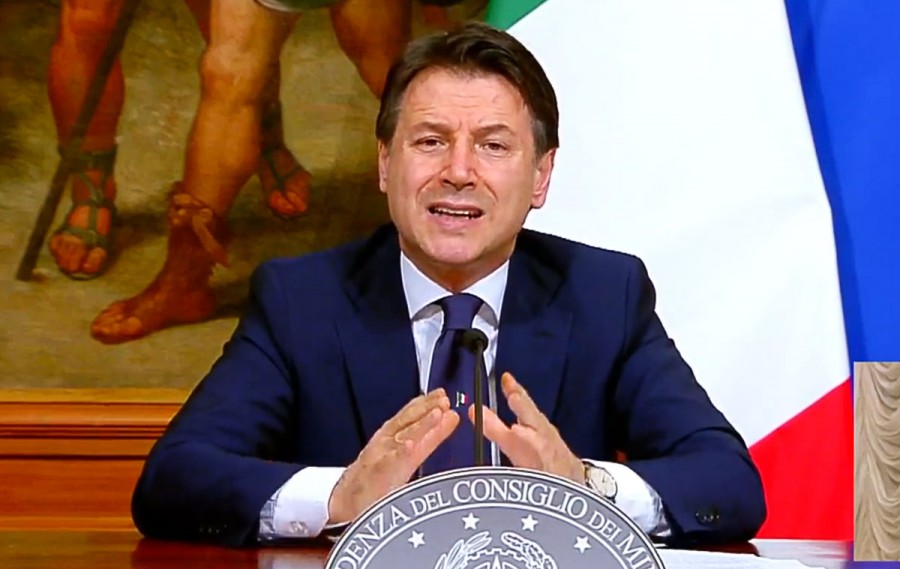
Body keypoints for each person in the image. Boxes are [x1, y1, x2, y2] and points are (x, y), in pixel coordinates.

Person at [130, 21, 766, 547]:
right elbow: (173, 480)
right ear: (386, 163)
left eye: (493, 146)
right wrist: (339, 497)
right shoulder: (302, 299)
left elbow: (727, 484)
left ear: (540, 176)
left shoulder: (605, 294)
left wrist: (584, 488)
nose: (458, 172)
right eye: (431, 141)